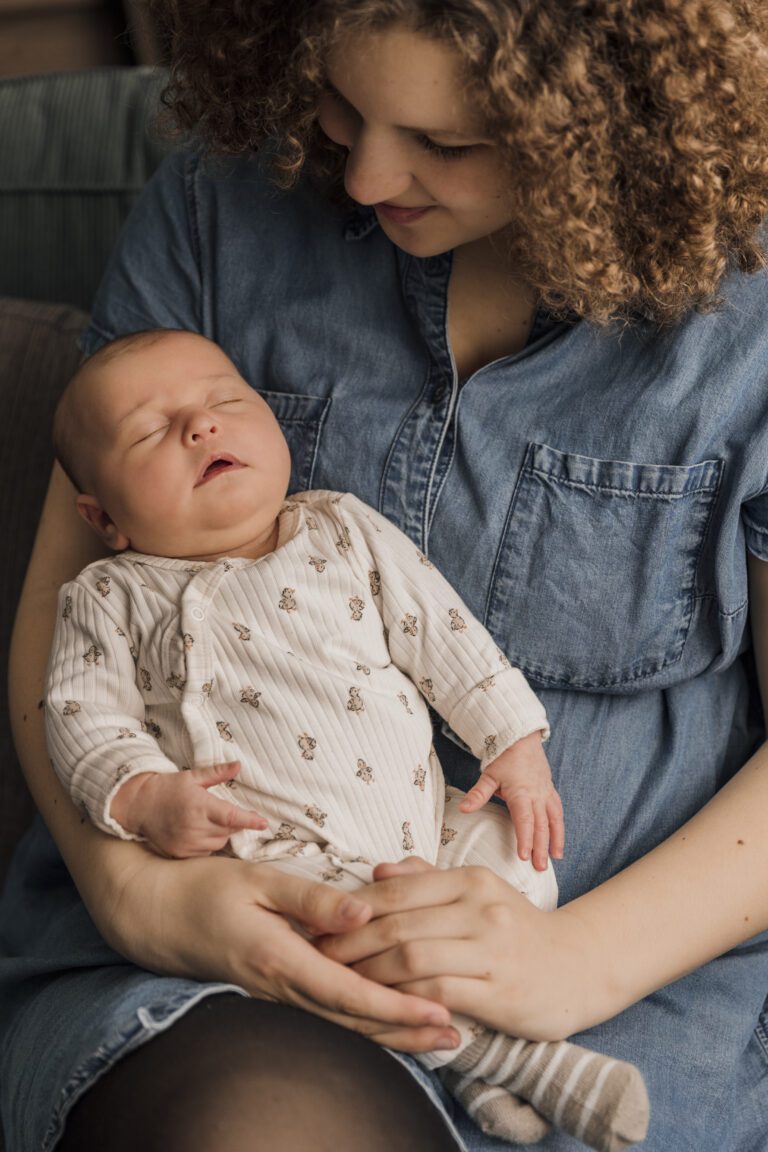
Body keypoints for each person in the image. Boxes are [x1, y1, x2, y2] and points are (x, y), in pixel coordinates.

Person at [4, 2, 768, 1150]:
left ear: (608, 127)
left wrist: (567, 963)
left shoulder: (746, 312)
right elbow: (65, 640)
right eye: (337, 103)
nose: (362, 177)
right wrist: (149, 899)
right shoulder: (225, 202)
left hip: (618, 984)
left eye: (446, 143)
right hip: (213, 959)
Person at [45, 326, 648, 1151]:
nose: (200, 427)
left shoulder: (340, 530)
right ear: (102, 516)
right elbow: (80, 717)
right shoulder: (109, 595)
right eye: (152, 430)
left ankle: (466, 1050)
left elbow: (440, 629)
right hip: (274, 862)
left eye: (224, 402)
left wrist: (511, 741)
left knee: (520, 856)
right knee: (315, 964)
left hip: (426, 838)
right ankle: (507, 1061)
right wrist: (144, 794)